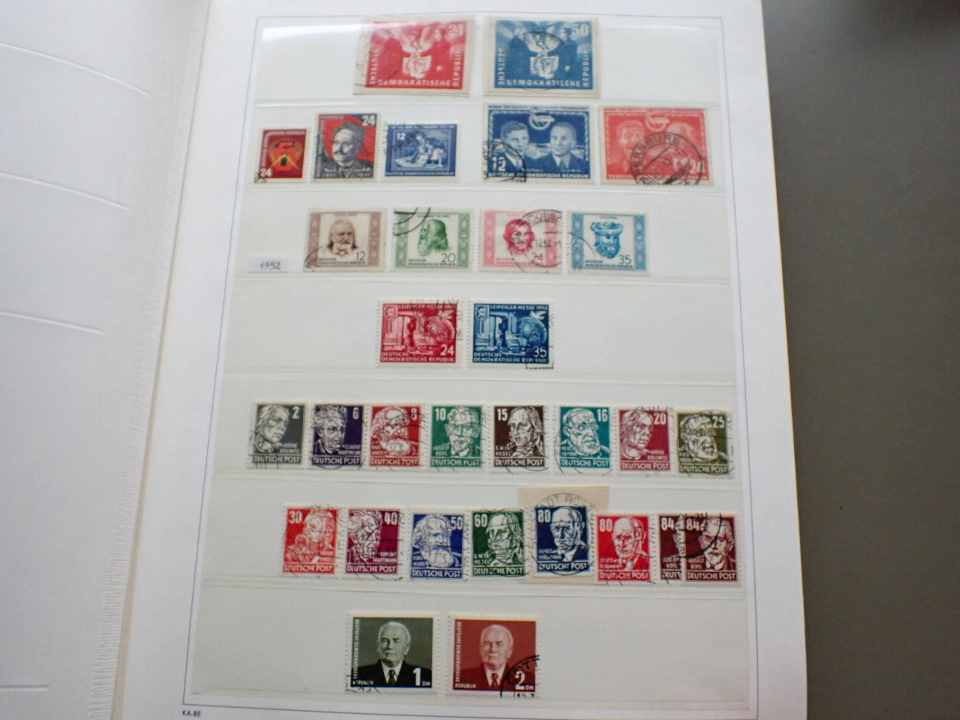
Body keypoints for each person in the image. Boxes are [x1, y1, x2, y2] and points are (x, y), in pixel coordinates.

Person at [354, 621, 432, 687]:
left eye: (396, 641)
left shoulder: (425, 675)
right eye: (385, 640)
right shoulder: (359, 675)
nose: (390, 646)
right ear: (378, 646)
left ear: (406, 648)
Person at [458, 624, 516, 690]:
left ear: (509, 651)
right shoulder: (462, 678)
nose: (493, 649)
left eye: (499, 644)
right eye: (487, 643)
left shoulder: (524, 680)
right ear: (480, 649)